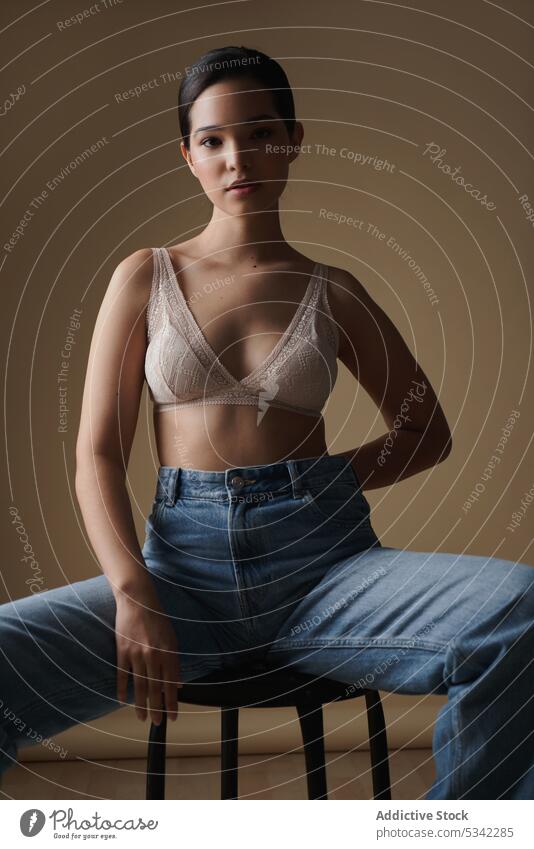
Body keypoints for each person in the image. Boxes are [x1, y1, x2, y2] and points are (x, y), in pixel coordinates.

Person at [1, 46, 532, 801]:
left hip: (327, 572)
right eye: (213, 140)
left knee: (521, 613)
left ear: (292, 139)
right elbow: (97, 455)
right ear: (188, 155)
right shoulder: (146, 277)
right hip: (181, 579)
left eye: (258, 133)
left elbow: (425, 431)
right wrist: (132, 591)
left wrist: (320, 480)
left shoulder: (334, 292)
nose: (236, 157)